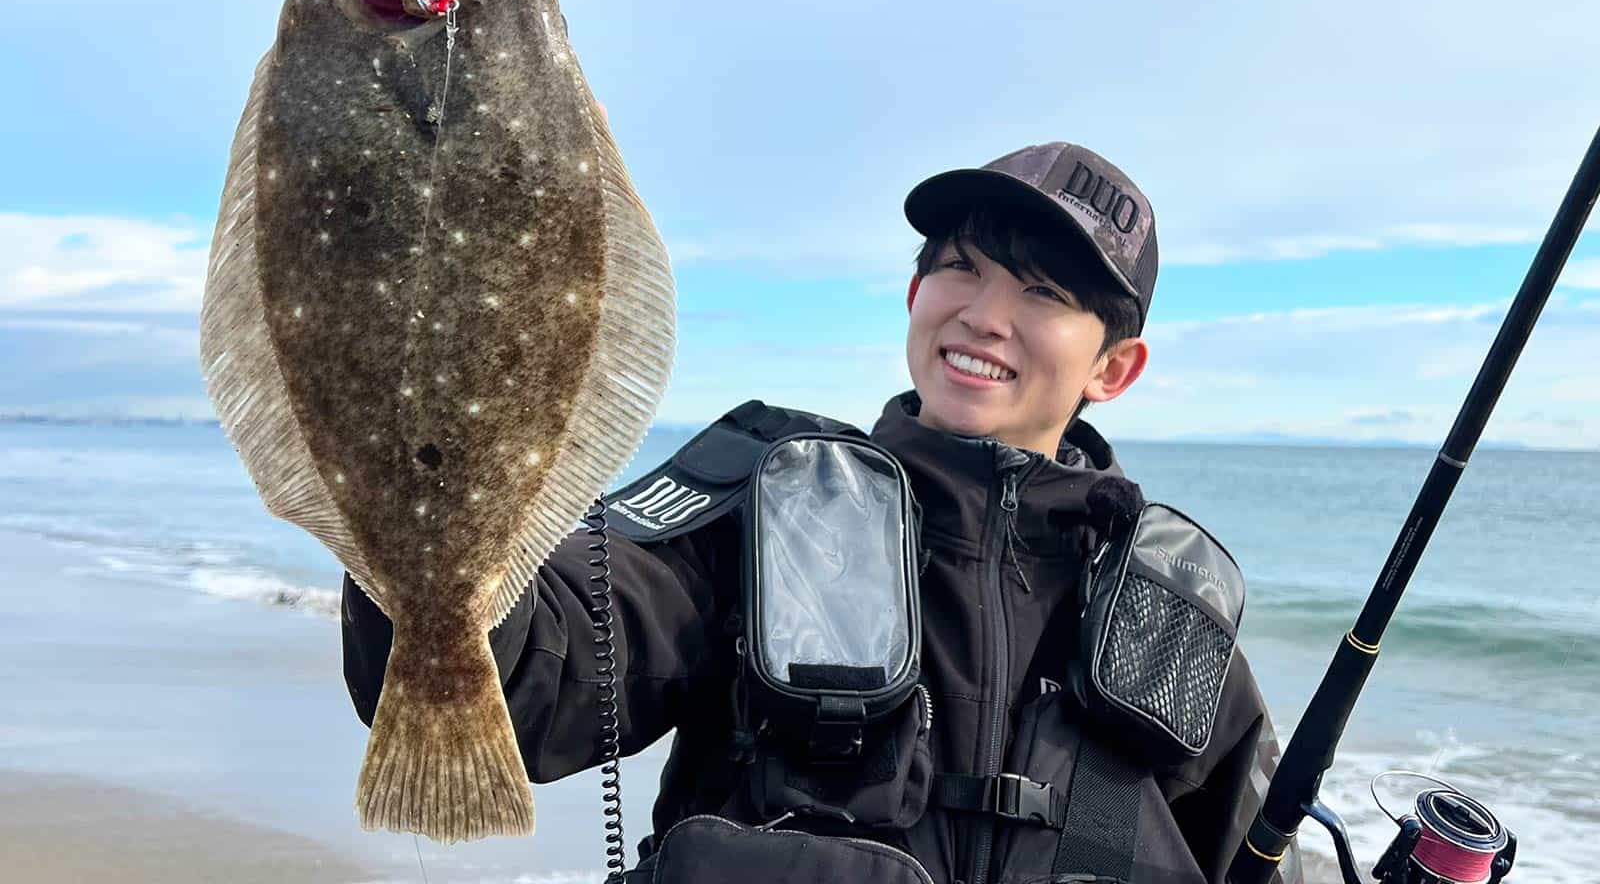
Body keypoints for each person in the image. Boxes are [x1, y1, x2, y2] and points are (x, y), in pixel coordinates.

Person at [342, 142, 1303, 884]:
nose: (983, 315)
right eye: (963, 269)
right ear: (915, 293)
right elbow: (529, 681)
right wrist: (414, 449)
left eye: (1042, 293)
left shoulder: (1171, 617)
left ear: (1113, 368)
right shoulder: (766, 498)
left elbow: (1254, 851)